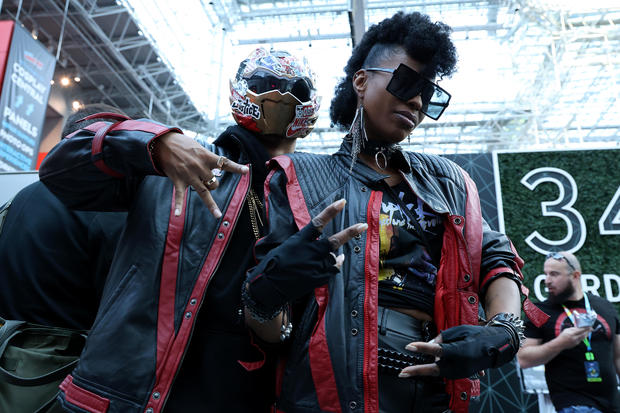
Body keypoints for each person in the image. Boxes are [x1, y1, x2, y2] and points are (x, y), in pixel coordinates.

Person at [241, 12, 548, 413]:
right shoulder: (299, 176)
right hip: (325, 394)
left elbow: (495, 259)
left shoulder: (448, 181)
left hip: (434, 391)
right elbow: (269, 328)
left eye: (429, 95)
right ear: (362, 81)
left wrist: (502, 330)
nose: (418, 103)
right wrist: (265, 294)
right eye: (406, 83)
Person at [38, 49, 361, 413]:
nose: (280, 94)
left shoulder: (312, 201)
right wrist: (155, 143)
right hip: (123, 393)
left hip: (236, 394)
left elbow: (293, 336)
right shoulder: (177, 162)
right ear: (242, 90)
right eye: (266, 85)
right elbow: (61, 169)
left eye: (294, 88)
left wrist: (270, 299)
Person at [0, 104, 128, 330]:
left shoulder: (18, 199)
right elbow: (120, 303)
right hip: (64, 357)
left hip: (7, 348)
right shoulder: (107, 206)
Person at [518, 251, 620, 413]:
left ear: (575, 275)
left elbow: (618, 357)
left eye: (554, 274)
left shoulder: (604, 306)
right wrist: (560, 343)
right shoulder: (538, 311)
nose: (547, 281)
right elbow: (523, 359)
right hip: (573, 404)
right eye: (546, 274)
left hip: (612, 404)